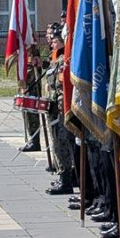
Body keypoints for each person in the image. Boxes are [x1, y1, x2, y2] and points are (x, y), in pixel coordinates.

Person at [45, 31, 75, 195]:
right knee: (57, 143)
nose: (52, 44)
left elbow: (63, 89)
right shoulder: (55, 60)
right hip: (53, 109)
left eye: (55, 41)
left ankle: (66, 181)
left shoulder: (64, 61)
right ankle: (62, 176)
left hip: (61, 110)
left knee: (62, 144)